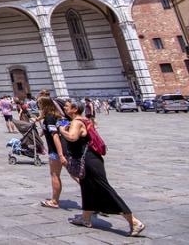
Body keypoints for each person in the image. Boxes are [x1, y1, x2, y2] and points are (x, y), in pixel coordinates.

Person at [59, 100, 145, 237]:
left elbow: (72, 137)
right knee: (87, 188)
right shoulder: (85, 119)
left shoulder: (76, 122)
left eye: (66, 107)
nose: (64, 108)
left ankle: (134, 221)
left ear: (74, 109)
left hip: (88, 160)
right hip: (91, 158)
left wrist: (62, 130)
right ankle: (85, 218)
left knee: (105, 190)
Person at [37, 96, 68, 209]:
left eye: (39, 104)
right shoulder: (57, 116)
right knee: (75, 175)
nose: (38, 106)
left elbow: (55, 136)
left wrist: (60, 154)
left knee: (55, 175)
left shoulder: (49, 117)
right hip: (63, 150)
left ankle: (54, 201)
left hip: (56, 151)